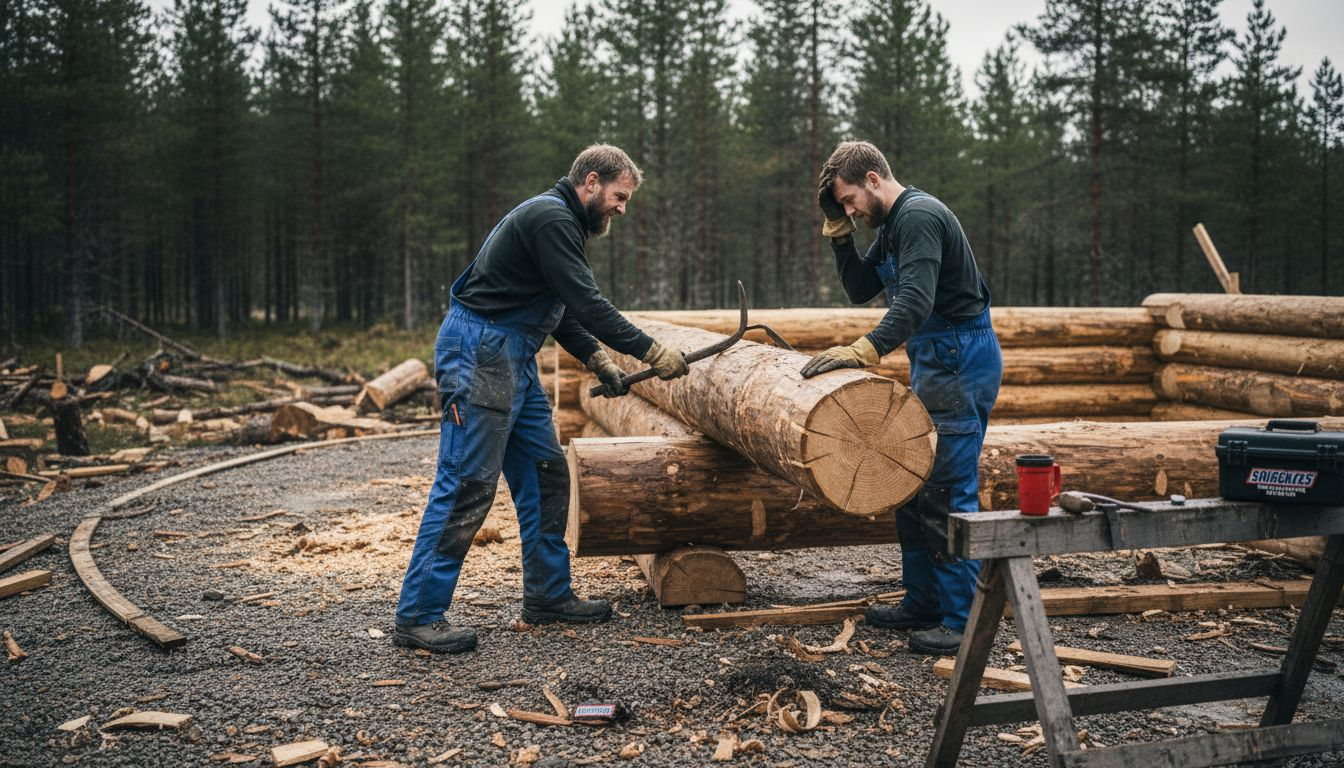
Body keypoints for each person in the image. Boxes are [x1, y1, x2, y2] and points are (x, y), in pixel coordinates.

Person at [393, 145, 689, 654]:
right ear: (591, 182)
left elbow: (560, 308)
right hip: (482, 350)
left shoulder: (561, 224)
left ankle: (548, 596)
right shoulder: (551, 218)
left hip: (512, 354)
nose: (622, 208)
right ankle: (419, 614)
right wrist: (648, 350)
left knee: (545, 474)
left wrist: (598, 360)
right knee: (467, 483)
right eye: (620, 196)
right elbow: (586, 301)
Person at [804, 140, 1002, 655]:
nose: (849, 209)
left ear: (873, 178)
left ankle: (964, 622)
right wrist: (840, 236)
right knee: (913, 485)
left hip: (959, 356)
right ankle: (924, 602)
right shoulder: (893, 226)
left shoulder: (918, 216)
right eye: (842, 207)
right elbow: (860, 287)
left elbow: (914, 300)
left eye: (849, 201)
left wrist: (864, 350)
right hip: (936, 358)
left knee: (946, 491)